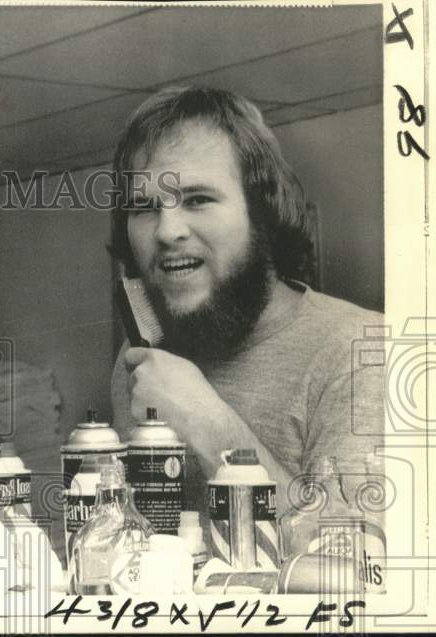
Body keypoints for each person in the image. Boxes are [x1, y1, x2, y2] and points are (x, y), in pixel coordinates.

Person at [107, 86, 385, 514]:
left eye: (198, 199)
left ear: (262, 211)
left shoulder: (363, 351)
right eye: (143, 207)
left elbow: (354, 560)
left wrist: (207, 423)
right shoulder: (137, 363)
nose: (166, 231)